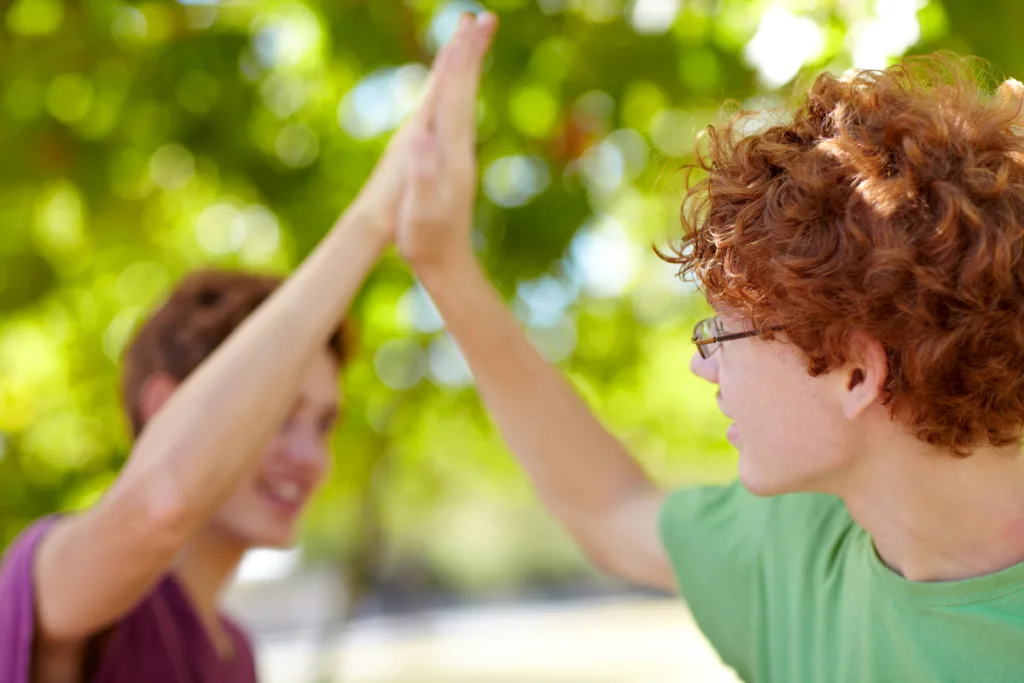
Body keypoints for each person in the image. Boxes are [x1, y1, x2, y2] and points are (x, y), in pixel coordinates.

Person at [393, 46, 1024, 683]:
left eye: (723, 333)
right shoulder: (799, 544)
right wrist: (443, 265)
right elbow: (609, 512)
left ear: (856, 374)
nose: (705, 369)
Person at [0, 13, 498, 683]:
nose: (307, 456)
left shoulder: (238, 654)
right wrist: (373, 219)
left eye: (322, 423)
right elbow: (160, 505)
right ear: (162, 408)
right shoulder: (59, 576)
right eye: (277, 414)